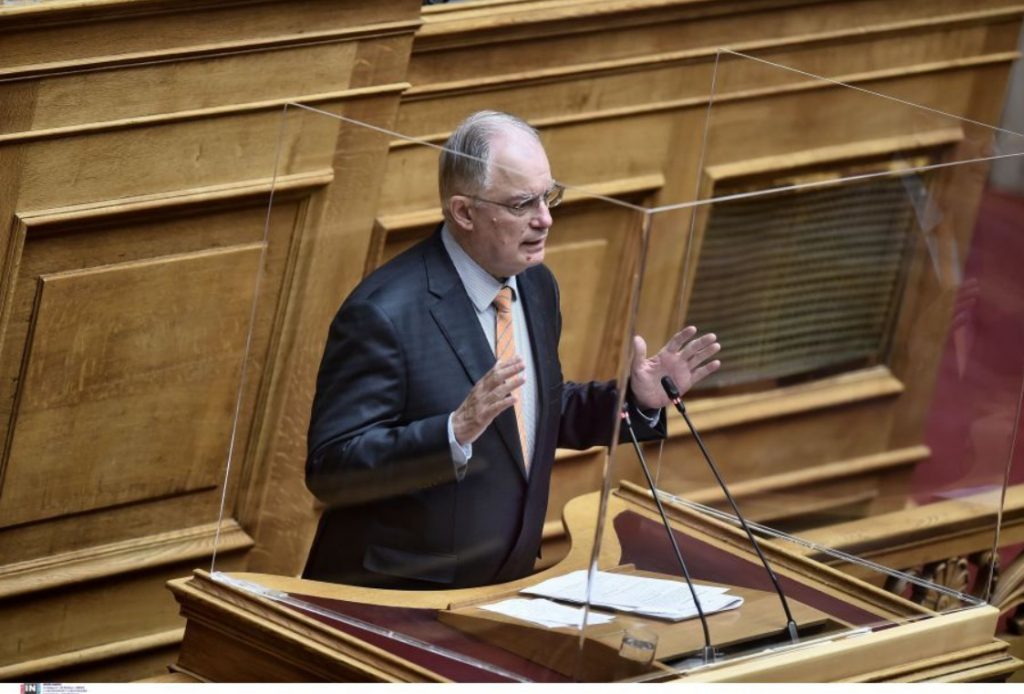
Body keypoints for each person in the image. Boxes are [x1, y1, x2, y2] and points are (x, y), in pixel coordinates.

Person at [303, 111, 720, 589]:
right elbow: (332, 470)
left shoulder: (536, 284)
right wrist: (451, 433)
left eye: (549, 196)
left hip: (502, 584)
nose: (545, 219)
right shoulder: (383, 314)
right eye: (523, 204)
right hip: (398, 595)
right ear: (464, 212)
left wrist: (635, 401)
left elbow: (530, 415)